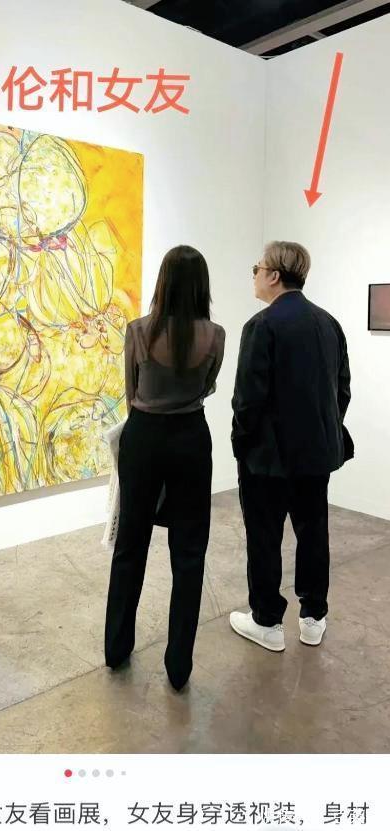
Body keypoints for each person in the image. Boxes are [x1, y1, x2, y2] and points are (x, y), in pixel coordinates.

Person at [105, 245, 225, 691]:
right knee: (189, 553)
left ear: (162, 282)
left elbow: (131, 389)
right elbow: (207, 386)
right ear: (201, 286)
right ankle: (179, 666)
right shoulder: (215, 335)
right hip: (191, 438)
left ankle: (116, 648)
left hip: (144, 436)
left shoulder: (138, 331)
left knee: (130, 545)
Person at [230, 241, 353, 652]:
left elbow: (248, 400)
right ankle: (313, 616)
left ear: (273, 276)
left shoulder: (261, 326)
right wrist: (323, 431)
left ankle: (267, 621)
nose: (254, 274)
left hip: (268, 458)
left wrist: (241, 443)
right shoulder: (329, 324)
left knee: (264, 537)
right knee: (313, 533)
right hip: (316, 455)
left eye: (257, 267)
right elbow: (341, 390)